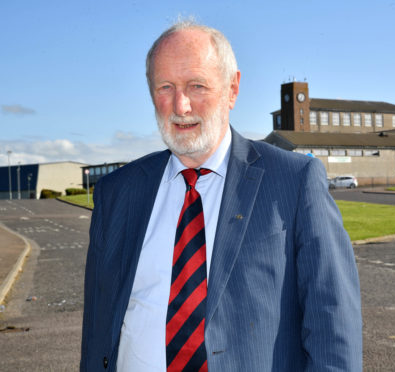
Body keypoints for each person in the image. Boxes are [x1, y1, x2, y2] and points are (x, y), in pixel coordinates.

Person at [81, 20, 362, 372]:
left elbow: (332, 324)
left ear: (232, 89)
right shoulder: (116, 193)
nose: (181, 105)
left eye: (196, 85)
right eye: (165, 86)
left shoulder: (294, 181)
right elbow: (96, 326)